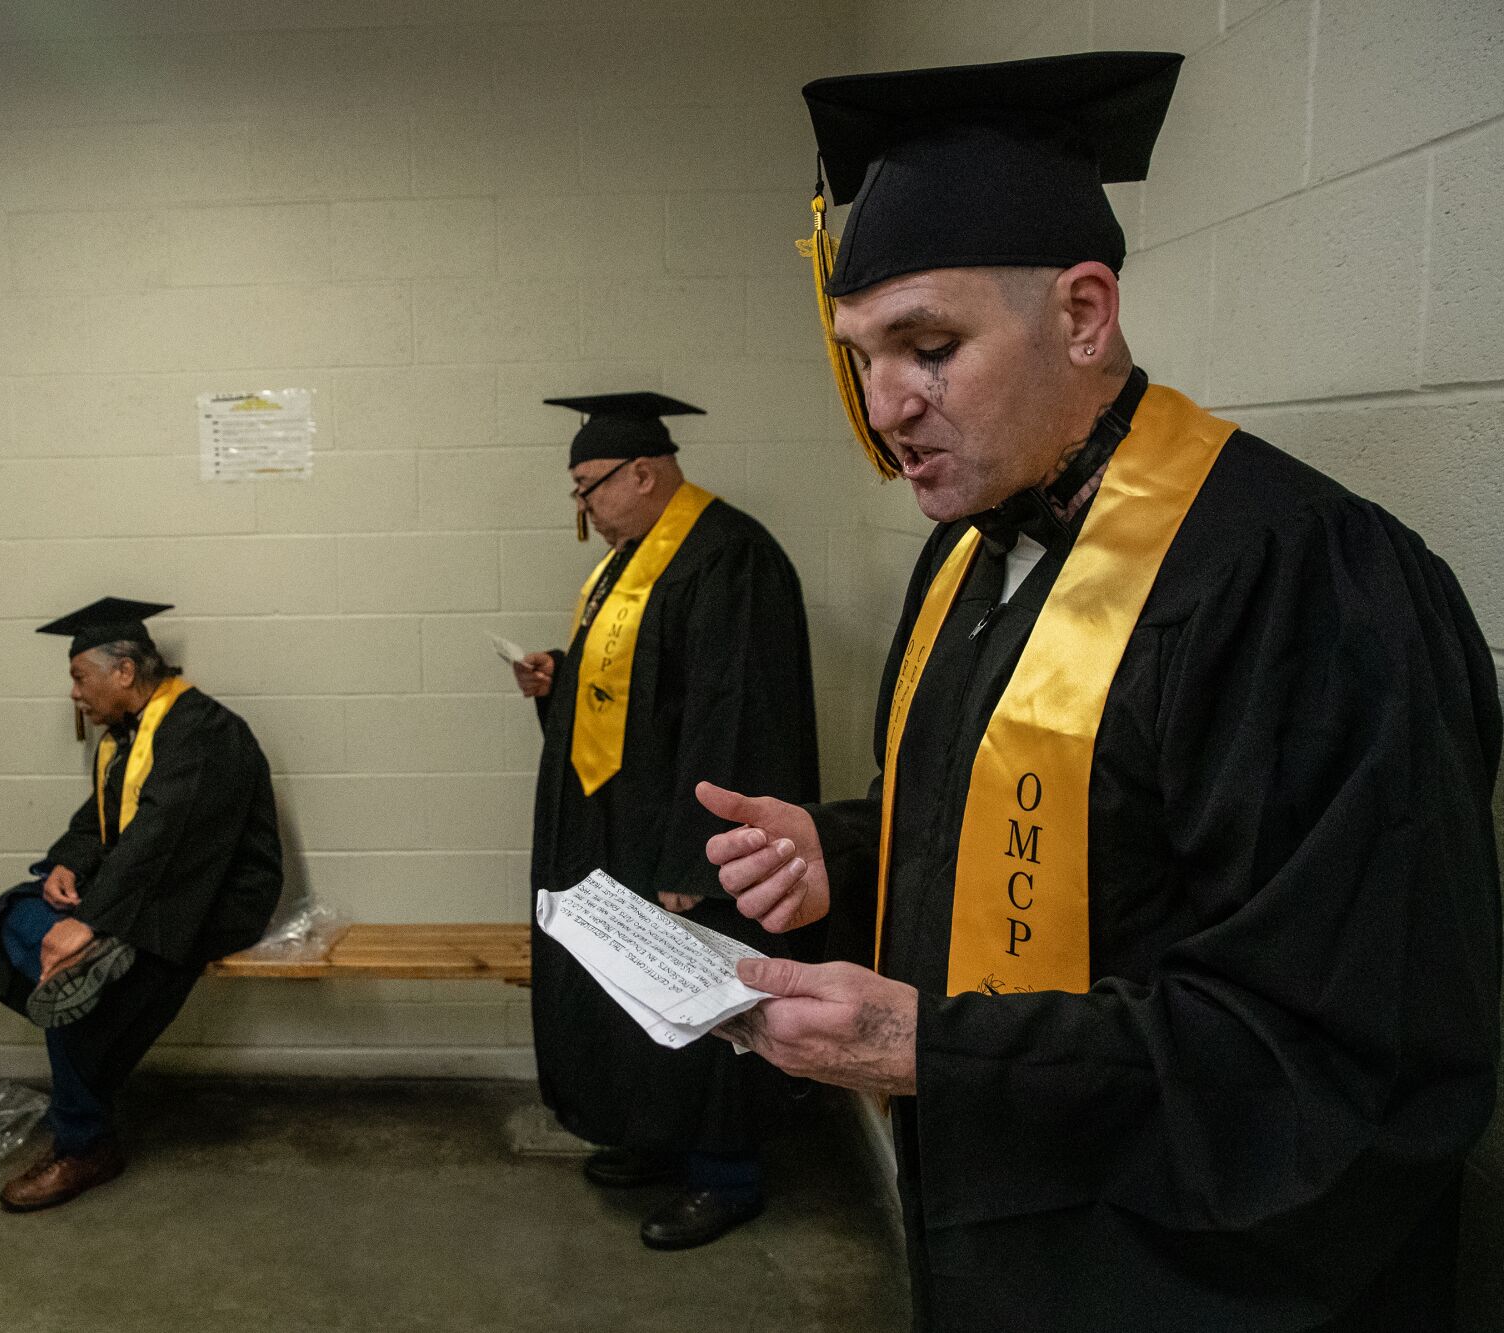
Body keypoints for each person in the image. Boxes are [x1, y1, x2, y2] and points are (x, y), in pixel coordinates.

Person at [699, 52, 1500, 1331]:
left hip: (1186, 1271)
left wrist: (930, 1050)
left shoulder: (1295, 581)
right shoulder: (967, 553)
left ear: (1083, 314)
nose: (885, 405)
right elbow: (1064, 838)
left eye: (929, 346)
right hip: (1002, 1231)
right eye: (861, 355)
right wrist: (842, 852)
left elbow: (1343, 1037)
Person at [515, 392, 821, 1248]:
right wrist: (561, 680)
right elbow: (649, 686)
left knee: (711, 990)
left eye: (588, 487)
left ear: (642, 472)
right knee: (639, 988)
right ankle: (658, 1135)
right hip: (623, 824)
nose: (582, 507)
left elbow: (739, 713)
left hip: (689, 843)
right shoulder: (629, 560)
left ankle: (727, 1174)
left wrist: (697, 860)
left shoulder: (731, 557)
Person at [0, 596, 285, 1213]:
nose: (75, 695)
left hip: (208, 898)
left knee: (72, 997)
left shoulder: (204, 731)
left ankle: (84, 1145)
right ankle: (90, 973)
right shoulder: (127, 736)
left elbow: (164, 836)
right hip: (146, 886)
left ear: (125, 672)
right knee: (20, 909)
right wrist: (68, 864)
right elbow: (101, 820)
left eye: (79, 678)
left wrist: (88, 920)